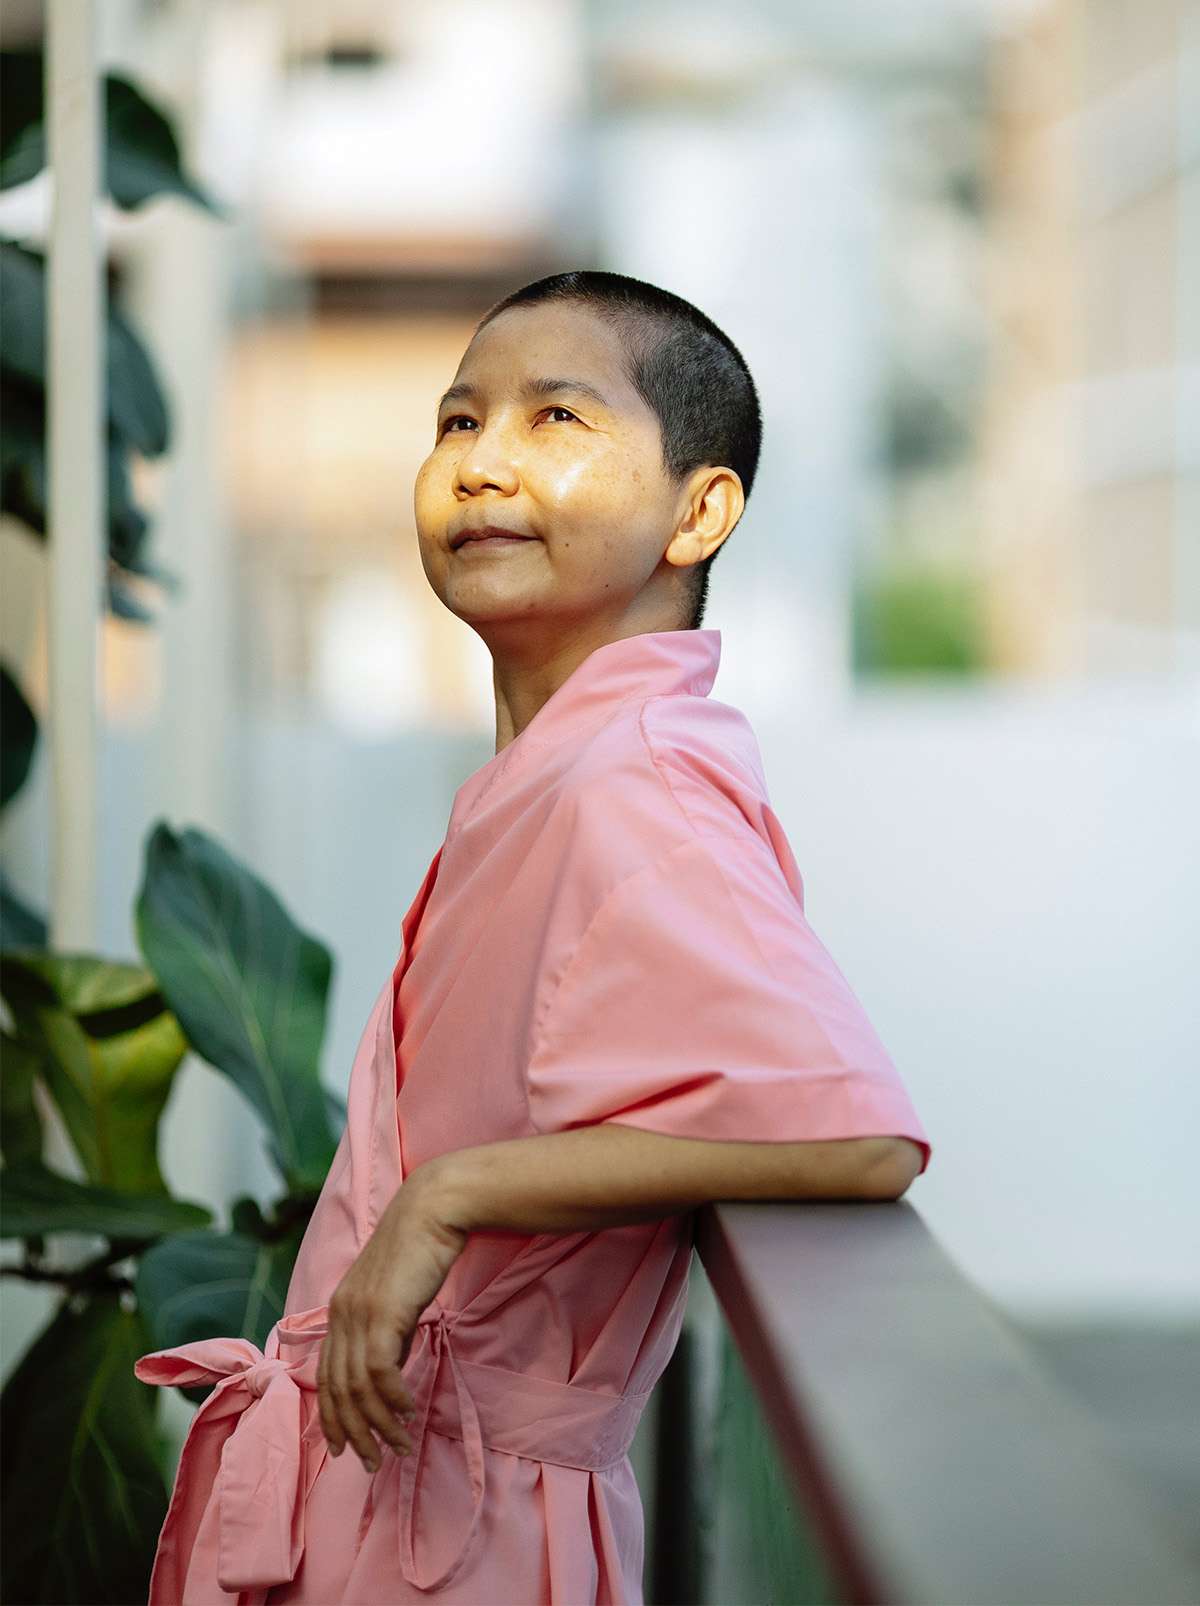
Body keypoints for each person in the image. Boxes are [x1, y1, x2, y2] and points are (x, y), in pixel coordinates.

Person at [133, 269, 932, 1605]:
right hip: (399, 1503)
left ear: (701, 509)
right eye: (458, 423)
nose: (484, 463)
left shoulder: (635, 784)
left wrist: (455, 1193)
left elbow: (854, 1134)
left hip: (471, 1540)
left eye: (555, 420)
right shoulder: (561, 773)